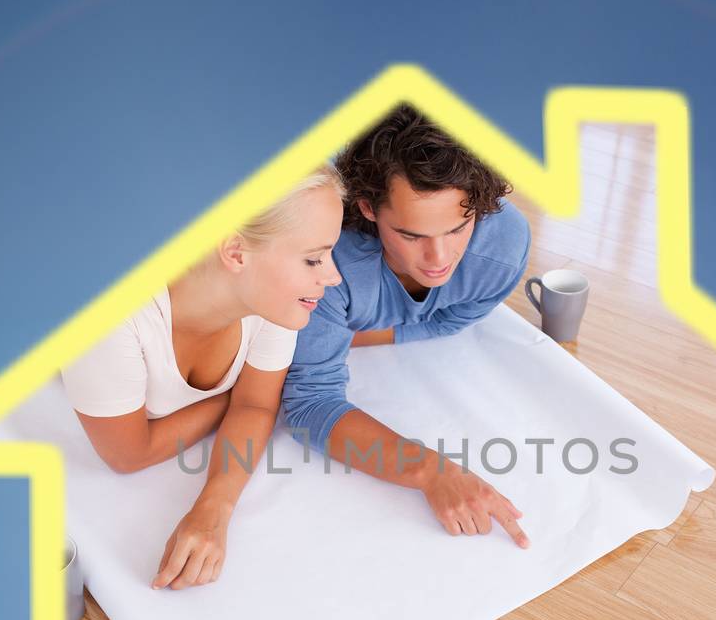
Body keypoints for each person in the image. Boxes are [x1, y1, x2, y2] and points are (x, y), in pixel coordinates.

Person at [61, 166, 345, 589]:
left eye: (329, 255)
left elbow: (256, 405)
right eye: (313, 258)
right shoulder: (108, 315)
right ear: (235, 252)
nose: (334, 276)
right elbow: (128, 454)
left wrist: (214, 508)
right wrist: (234, 398)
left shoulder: (275, 299)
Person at [280, 106, 533, 548]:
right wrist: (432, 472)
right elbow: (308, 404)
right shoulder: (324, 259)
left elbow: (453, 318)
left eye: (457, 228)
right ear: (368, 209)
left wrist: (340, 335)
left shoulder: (503, 247)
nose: (439, 260)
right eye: (412, 235)